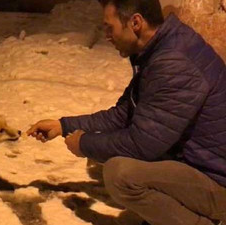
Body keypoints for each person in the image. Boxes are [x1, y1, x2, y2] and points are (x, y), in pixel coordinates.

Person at [26, 0, 226, 225]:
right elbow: (123, 114)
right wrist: (64, 126)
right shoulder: (159, 49)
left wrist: (84, 145)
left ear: (136, 22)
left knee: (121, 174)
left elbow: (142, 145)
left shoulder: (173, 63)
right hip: (200, 164)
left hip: (218, 181)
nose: (107, 35)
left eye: (109, 27)